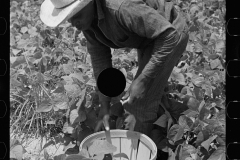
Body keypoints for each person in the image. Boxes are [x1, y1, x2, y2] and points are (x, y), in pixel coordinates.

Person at [40, 0, 189, 137]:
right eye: (69, 17)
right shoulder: (89, 21)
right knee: (147, 92)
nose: (73, 23)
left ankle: (143, 149)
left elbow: (168, 35)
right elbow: (99, 58)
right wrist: (104, 106)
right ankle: (164, 118)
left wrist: (143, 80)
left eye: (76, 14)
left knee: (139, 103)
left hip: (170, 33)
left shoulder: (120, 8)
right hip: (147, 39)